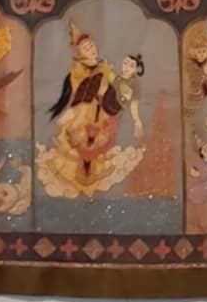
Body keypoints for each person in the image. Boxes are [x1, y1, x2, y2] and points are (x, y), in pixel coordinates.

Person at [36, 24, 146, 200]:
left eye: (92, 45)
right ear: (80, 53)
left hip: (105, 110)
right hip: (85, 112)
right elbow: (79, 87)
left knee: (96, 144)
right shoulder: (78, 70)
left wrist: (134, 117)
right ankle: (83, 172)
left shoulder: (105, 68)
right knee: (83, 144)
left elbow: (117, 88)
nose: (91, 49)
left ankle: (91, 171)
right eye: (86, 48)